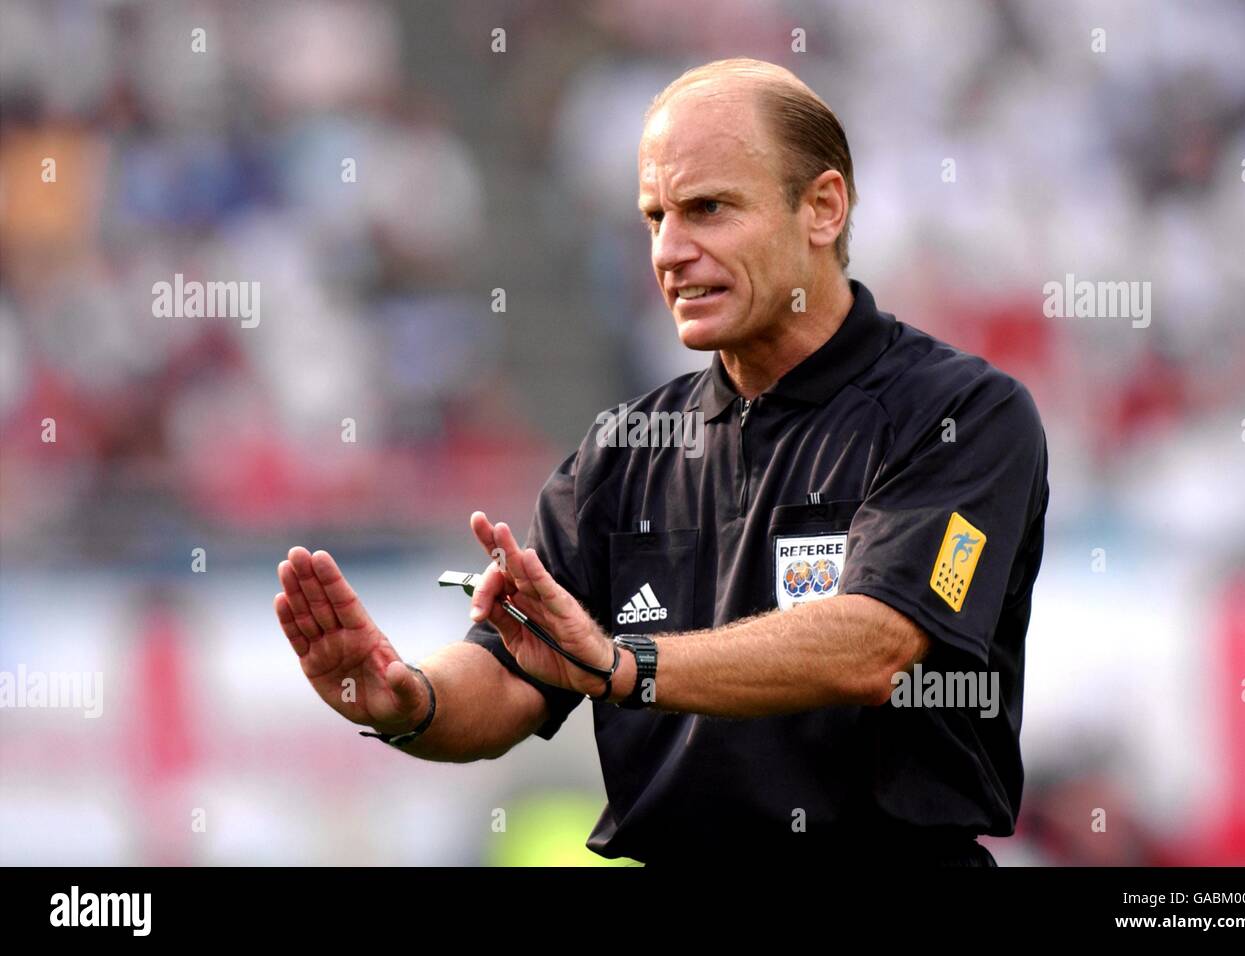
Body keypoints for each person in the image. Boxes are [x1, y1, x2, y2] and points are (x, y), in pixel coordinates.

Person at [273, 58, 1048, 865]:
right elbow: (510, 674)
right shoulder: (621, 453)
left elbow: (879, 644)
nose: (671, 251)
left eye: (709, 209)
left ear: (822, 208)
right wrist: (406, 698)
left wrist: (623, 665)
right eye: (656, 218)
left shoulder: (962, 415)